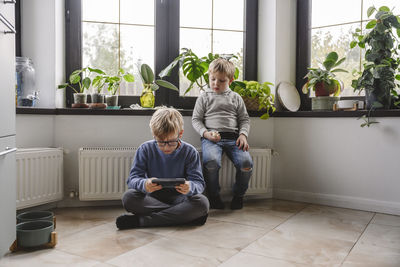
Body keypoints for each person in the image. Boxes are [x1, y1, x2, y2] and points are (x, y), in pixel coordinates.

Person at [116, 107, 209, 230]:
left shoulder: (190, 152)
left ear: (180, 134)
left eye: (171, 142)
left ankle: (143, 221)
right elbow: (132, 180)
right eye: (160, 142)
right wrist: (144, 184)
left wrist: (190, 186)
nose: (166, 147)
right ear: (154, 135)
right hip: (152, 198)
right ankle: (184, 216)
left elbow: (199, 184)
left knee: (202, 203)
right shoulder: (145, 149)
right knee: (128, 198)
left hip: (180, 199)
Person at [192, 58, 253, 210]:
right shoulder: (204, 97)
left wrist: (243, 135)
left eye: (221, 81)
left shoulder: (236, 98)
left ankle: (238, 195)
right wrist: (206, 134)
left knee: (246, 164)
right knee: (211, 163)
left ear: (231, 81)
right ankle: (213, 196)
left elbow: (244, 119)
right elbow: (196, 120)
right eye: (212, 79)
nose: (216, 84)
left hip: (234, 140)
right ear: (208, 77)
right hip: (211, 140)